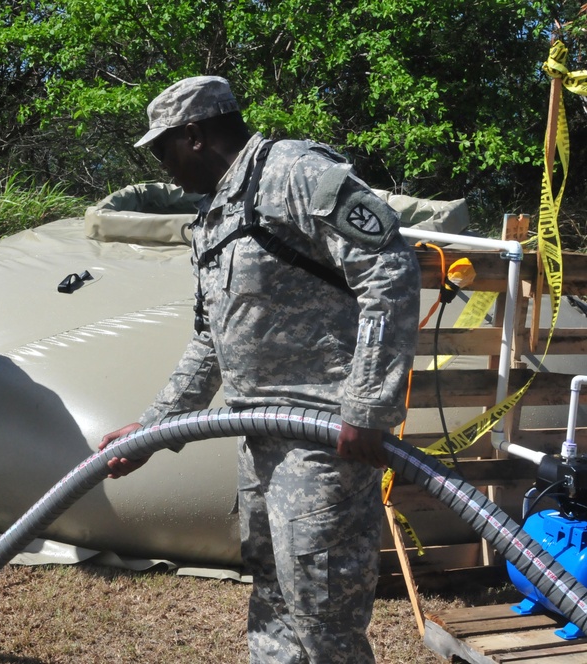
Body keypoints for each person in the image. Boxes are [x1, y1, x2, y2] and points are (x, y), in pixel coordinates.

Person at [100, 76, 420, 663]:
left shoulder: (294, 174)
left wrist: (368, 406)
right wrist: (152, 428)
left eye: (162, 148)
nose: (162, 166)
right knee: (272, 606)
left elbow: (389, 270)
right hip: (258, 442)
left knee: (324, 619)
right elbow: (211, 342)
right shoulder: (216, 216)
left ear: (192, 135)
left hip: (324, 445)